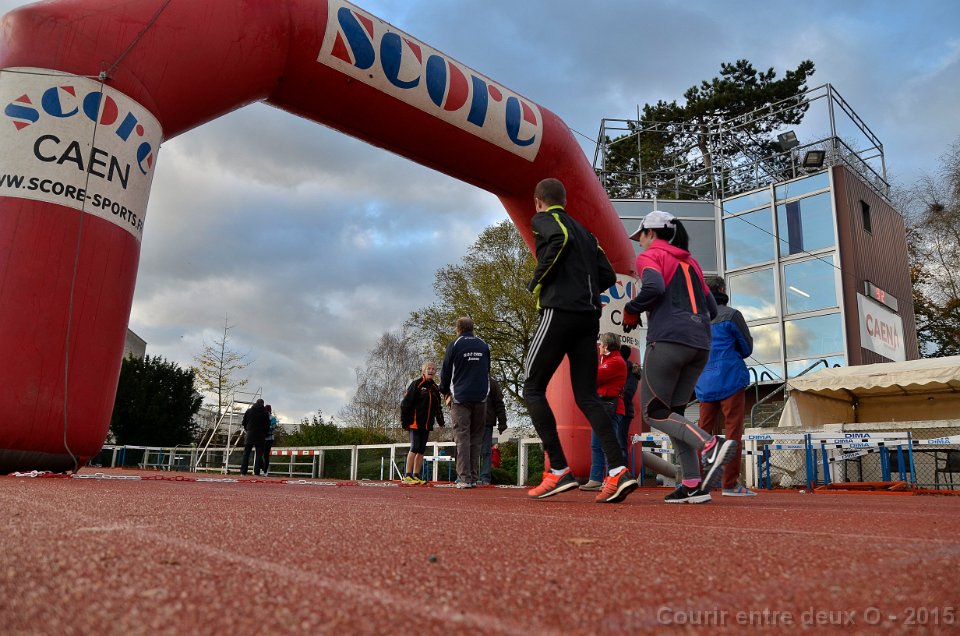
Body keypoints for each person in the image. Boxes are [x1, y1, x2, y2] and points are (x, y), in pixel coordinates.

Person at [523, 177, 638, 503]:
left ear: (538, 201)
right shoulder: (587, 234)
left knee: (532, 387)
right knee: (587, 396)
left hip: (559, 311)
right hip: (589, 317)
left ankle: (558, 468)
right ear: (565, 200)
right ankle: (618, 469)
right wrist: (582, 290)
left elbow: (558, 239)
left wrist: (537, 281)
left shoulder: (544, 219)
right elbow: (606, 275)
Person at [622, 210, 735, 504]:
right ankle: (693, 483)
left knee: (654, 412)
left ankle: (710, 444)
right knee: (675, 415)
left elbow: (654, 287)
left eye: (640, 236)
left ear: (650, 233)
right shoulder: (691, 262)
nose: (639, 242)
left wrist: (632, 309)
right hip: (701, 344)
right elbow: (711, 309)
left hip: (669, 340)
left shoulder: (651, 256)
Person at [695, 275, 757, 497]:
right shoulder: (732, 315)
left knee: (702, 433)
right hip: (730, 377)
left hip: (704, 381)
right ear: (722, 290)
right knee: (733, 432)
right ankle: (729, 484)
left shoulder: (696, 318)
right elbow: (746, 348)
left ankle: (696, 482)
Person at [439, 317, 491, 489]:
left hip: (460, 397)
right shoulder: (483, 345)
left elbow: (446, 370)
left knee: (462, 437)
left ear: (458, 328)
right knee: (476, 438)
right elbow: (487, 369)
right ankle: (474, 477)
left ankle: (464, 478)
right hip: (481, 396)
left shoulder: (454, 345)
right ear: (472, 328)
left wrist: (444, 390)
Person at [580, 332, 627, 491]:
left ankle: (613, 479)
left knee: (607, 444)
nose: (599, 346)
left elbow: (594, 377)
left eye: (601, 344)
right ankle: (596, 479)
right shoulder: (609, 360)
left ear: (606, 346)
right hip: (605, 408)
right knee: (597, 445)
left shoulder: (615, 362)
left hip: (610, 408)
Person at [400, 361, 445, 484]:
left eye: (433, 369)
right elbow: (405, 404)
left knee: (421, 450)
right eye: (428, 368)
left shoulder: (435, 388)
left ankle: (416, 475)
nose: (431, 371)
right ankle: (407, 475)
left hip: (427, 424)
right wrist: (404, 422)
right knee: (414, 447)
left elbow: (438, 407)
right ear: (423, 371)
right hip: (415, 423)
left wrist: (441, 421)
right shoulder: (417, 384)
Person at [479, 375, 508, 486]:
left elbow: (499, 403)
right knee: (469, 450)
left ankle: (485, 477)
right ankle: (468, 476)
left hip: (487, 421)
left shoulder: (492, 384)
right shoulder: (469, 380)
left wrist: (502, 422)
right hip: (472, 423)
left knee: (486, 451)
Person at [619, 344, 641, 472]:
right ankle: (619, 472)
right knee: (619, 442)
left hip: (622, 411)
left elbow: (628, 393)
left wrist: (616, 403)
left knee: (620, 442)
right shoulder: (627, 369)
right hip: (620, 410)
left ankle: (622, 473)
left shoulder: (629, 371)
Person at [239, 398, 270, 476]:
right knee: (259, 455)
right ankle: (257, 472)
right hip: (260, 435)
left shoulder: (249, 411)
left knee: (246, 453)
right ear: (263, 404)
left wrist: (247, 429)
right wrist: (265, 434)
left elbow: (244, 422)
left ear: (255, 403)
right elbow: (267, 425)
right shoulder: (265, 412)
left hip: (250, 434)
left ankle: (243, 472)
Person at [263, 404, 278, 475]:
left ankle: (265, 471)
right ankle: (262, 468)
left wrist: (265, 428)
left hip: (269, 438)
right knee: (260, 454)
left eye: (267, 410)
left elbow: (273, 427)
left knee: (266, 454)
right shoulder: (262, 417)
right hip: (263, 438)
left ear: (269, 411)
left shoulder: (273, 418)